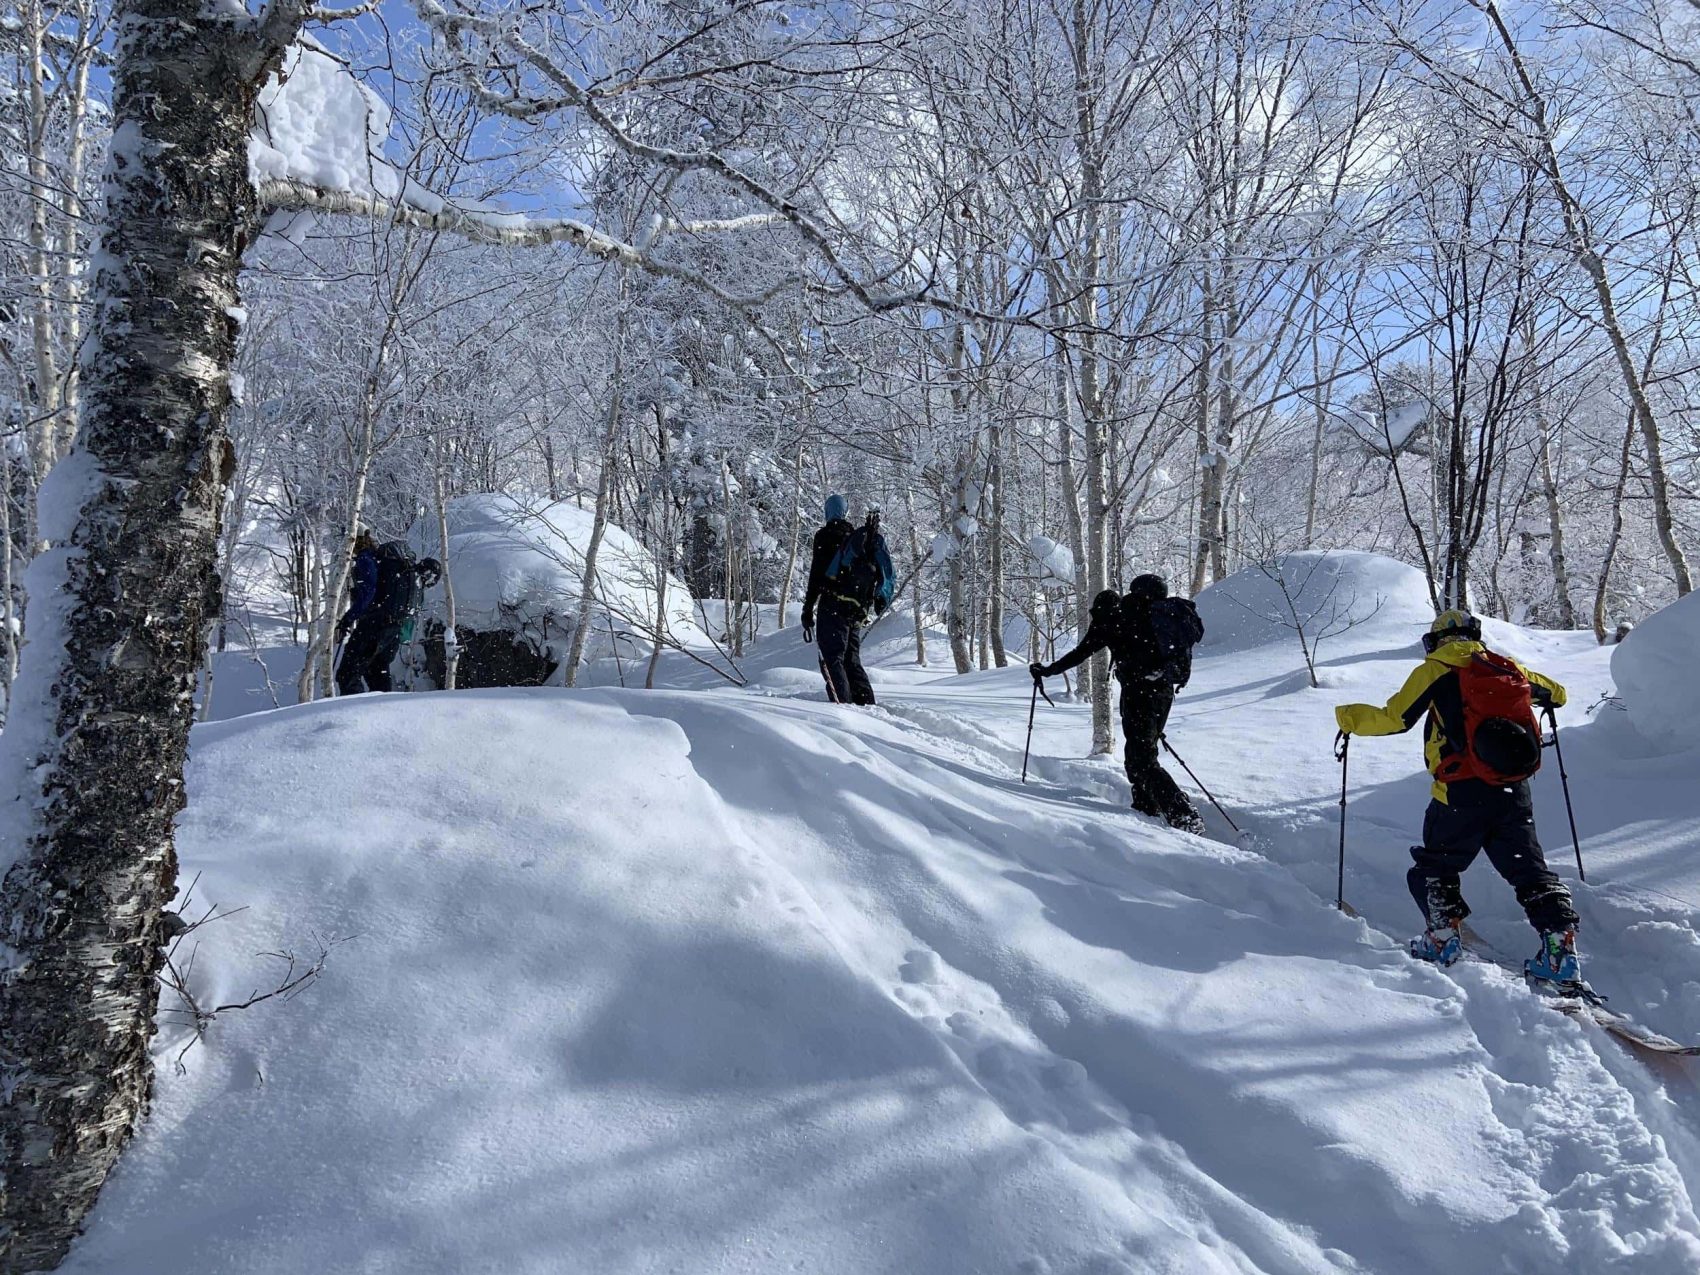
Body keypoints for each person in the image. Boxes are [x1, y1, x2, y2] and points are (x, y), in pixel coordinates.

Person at [1334, 609, 1581, 985]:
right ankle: (1561, 953)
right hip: (1513, 790)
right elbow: (1557, 694)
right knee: (1529, 872)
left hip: (1460, 792)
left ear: (1435, 640)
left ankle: (1443, 939)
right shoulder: (1504, 666)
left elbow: (1395, 719)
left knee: (1436, 867)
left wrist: (1347, 718)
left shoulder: (1435, 670)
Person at [1031, 575, 1205, 833]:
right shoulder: (1163, 618)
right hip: (1164, 690)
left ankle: (1183, 814)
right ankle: (1147, 808)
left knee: (1141, 759)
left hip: (1139, 692)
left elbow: (1082, 652)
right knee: (1143, 752)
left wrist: (1048, 671)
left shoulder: (1116, 617)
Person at [807, 505, 894, 706]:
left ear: (828, 513)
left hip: (832, 604)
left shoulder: (825, 536)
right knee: (851, 659)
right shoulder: (857, 538)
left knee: (832, 658)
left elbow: (817, 576)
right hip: (857, 609)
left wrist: (807, 609)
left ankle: (844, 709)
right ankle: (867, 706)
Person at [335, 534, 440, 696]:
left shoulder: (366, 559)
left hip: (374, 626)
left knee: (347, 673)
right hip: (394, 628)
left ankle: (353, 714)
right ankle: (384, 712)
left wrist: (347, 620)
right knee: (378, 672)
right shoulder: (389, 563)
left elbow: (368, 593)